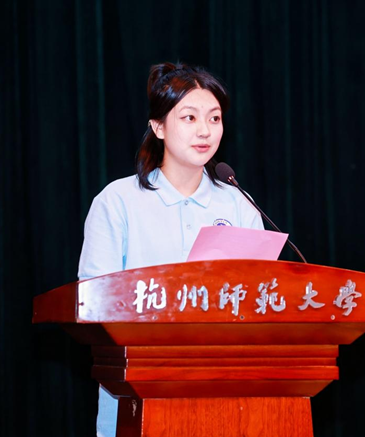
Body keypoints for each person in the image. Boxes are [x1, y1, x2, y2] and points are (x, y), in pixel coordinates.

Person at [77, 62, 264, 437]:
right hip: (140, 394)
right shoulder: (118, 202)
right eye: (189, 117)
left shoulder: (239, 205)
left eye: (214, 118)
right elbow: (94, 302)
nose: (204, 130)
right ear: (158, 126)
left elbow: (260, 298)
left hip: (228, 394)